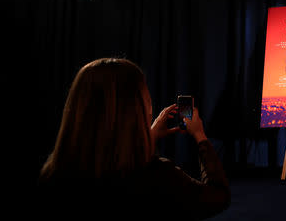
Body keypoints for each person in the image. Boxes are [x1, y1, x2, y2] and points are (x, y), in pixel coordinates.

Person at [37, 58, 230, 220]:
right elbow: (218, 196)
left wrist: (149, 136)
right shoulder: (159, 178)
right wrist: (200, 136)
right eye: (145, 96)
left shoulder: (53, 176)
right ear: (136, 110)